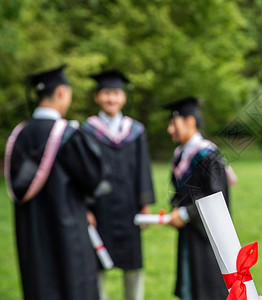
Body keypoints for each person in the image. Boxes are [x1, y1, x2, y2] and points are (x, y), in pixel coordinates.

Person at [4, 65, 104, 300]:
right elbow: (93, 179)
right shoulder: (68, 135)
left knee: (40, 285)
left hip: (32, 233)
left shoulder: (18, 135)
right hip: (67, 232)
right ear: (61, 93)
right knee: (74, 286)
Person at [82, 70, 156, 300]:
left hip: (129, 207)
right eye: (106, 93)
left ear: (123, 97)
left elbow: (143, 168)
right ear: (97, 97)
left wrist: (145, 203)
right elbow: (82, 172)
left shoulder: (135, 131)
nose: (111, 99)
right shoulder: (87, 131)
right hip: (98, 209)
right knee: (96, 264)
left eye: (115, 94)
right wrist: (85, 208)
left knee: (132, 263)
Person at [163, 97, 230, 300]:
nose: (169, 129)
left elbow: (216, 197)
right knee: (190, 285)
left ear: (190, 121)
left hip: (207, 235)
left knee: (207, 287)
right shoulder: (181, 155)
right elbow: (178, 192)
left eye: (173, 123)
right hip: (189, 232)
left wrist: (184, 213)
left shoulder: (208, 155)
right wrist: (175, 208)